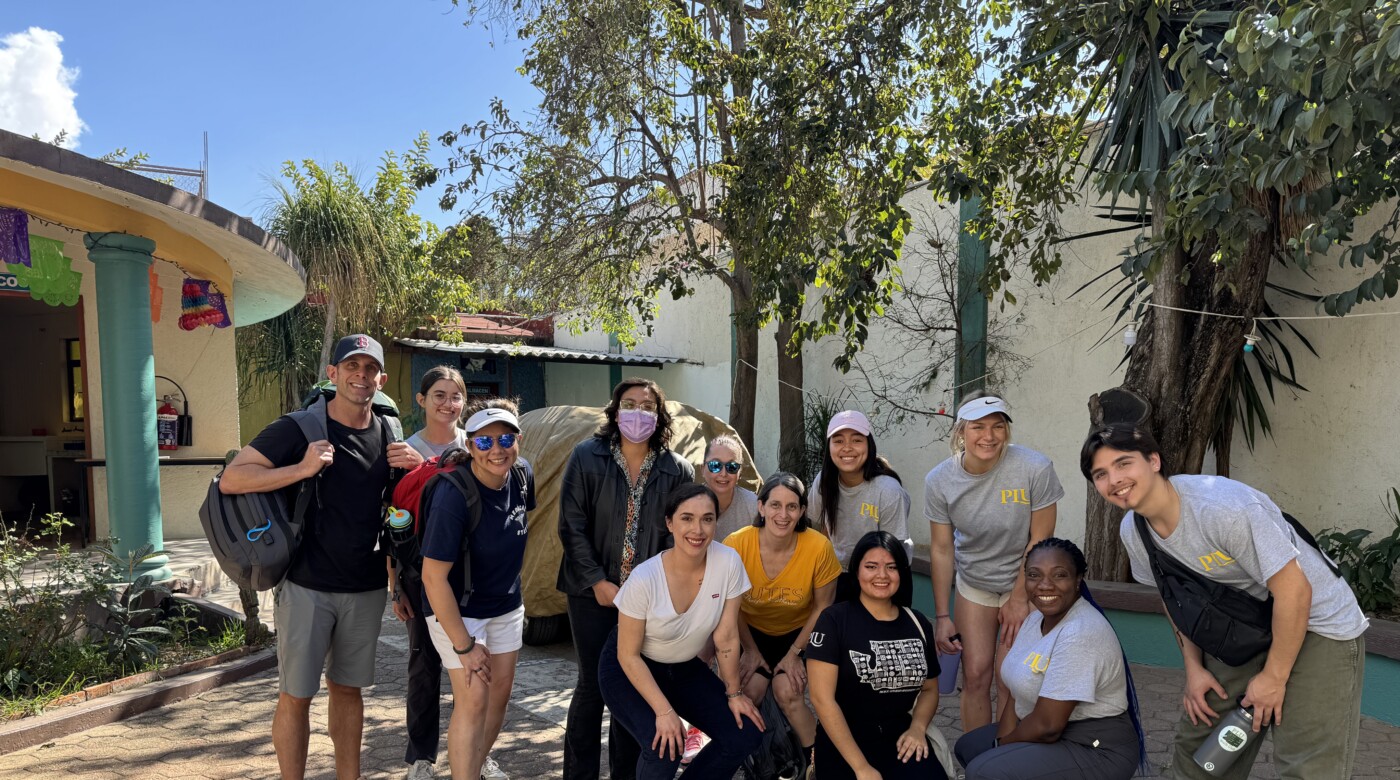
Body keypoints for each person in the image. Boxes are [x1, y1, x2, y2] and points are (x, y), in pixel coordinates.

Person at [1084, 424, 1369, 780]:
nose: (1115, 480)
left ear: (1154, 461)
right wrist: (1194, 668)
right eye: (1101, 474)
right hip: (1245, 626)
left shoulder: (1222, 508)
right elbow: (1173, 598)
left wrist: (1273, 678)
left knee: (1305, 764)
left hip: (1317, 623)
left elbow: (1296, 592)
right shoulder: (1135, 531)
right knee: (1199, 752)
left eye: (1124, 464)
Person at [221, 334, 424, 780]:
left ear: (381, 379)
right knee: (296, 695)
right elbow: (233, 479)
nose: (361, 376)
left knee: (349, 691)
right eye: (352, 367)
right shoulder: (299, 428)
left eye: (370, 369)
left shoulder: (390, 432)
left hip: (365, 585)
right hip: (306, 584)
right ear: (333, 375)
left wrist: (418, 469)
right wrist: (300, 468)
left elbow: (398, 514)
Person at [558, 378, 697, 780]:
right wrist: (598, 581)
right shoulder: (587, 456)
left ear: (660, 415)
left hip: (647, 601)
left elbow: (682, 534)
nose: (639, 413)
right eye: (630, 404)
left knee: (632, 687)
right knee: (591, 687)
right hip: (590, 593)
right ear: (616, 411)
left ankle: (625, 773)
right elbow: (571, 525)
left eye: (648, 406)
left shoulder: (677, 468)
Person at [598, 483, 766, 779]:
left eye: (707, 519)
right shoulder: (644, 578)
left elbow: (726, 637)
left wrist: (734, 693)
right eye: (687, 518)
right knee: (665, 747)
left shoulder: (728, 562)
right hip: (629, 668)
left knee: (745, 733)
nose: (697, 529)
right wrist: (664, 713)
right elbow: (628, 655)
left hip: (683, 668)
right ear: (669, 523)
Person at [953, 538, 1147, 780]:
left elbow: (1047, 726)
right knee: (970, 748)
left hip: (1095, 746)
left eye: (1059, 575)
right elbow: (1016, 694)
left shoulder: (1081, 631)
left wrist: (999, 748)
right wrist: (1000, 745)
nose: (1045, 585)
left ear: (1078, 580)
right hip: (1053, 731)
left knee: (984, 771)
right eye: (1034, 575)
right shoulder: (1035, 621)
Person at [925, 395, 1063, 732]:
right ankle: (976, 757)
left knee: (1011, 678)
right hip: (975, 583)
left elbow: (1040, 543)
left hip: (1026, 583)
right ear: (961, 432)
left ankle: (1006, 756)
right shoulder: (939, 480)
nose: (989, 436)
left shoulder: (1035, 468)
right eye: (978, 427)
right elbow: (942, 550)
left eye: (997, 426)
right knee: (975, 674)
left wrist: (1019, 598)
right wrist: (942, 616)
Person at [420, 399, 536, 780]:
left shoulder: (522, 476)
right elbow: (433, 578)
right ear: (469, 446)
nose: (497, 450)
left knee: (499, 696)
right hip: (457, 610)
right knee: (473, 700)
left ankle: (472, 763)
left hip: (505, 603)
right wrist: (465, 646)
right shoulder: (452, 496)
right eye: (484, 443)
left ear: (518, 440)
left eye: (505, 439)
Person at [808, 531, 948, 780]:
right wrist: (861, 768)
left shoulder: (918, 624)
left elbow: (929, 690)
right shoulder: (833, 621)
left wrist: (917, 727)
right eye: (871, 566)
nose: (882, 575)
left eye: (891, 567)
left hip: (901, 738)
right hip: (843, 740)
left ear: (901, 573)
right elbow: (822, 700)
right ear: (857, 571)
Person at [724, 472, 841, 761]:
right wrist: (749, 650)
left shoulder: (818, 547)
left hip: (799, 633)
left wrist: (794, 653)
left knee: (788, 691)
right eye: (775, 505)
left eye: (792, 506)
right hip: (751, 633)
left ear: (802, 511)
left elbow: (823, 607)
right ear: (760, 507)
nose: (783, 514)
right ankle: (756, 761)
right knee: (748, 690)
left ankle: (819, 761)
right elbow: (730, 606)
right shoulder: (736, 545)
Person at [392, 366, 468, 780]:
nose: (448, 404)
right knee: (424, 666)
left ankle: (474, 749)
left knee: (472, 665)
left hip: (468, 571)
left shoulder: (476, 444)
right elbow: (391, 522)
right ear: (421, 400)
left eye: (455, 396)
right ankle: (421, 758)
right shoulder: (402, 450)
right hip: (419, 572)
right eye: (439, 395)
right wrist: (394, 585)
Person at [807, 410, 913, 568]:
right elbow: (824, 530)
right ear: (829, 447)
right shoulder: (824, 481)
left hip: (886, 571)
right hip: (840, 570)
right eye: (838, 441)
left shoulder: (888, 490)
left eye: (856, 440)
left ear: (869, 445)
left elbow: (890, 551)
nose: (847, 448)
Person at [706, 434, 759, 542]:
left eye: (732, 467)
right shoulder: (690, 504)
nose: (723, 473)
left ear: (740, 472)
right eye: (715, 465)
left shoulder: (753, 506)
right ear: (702, 469)